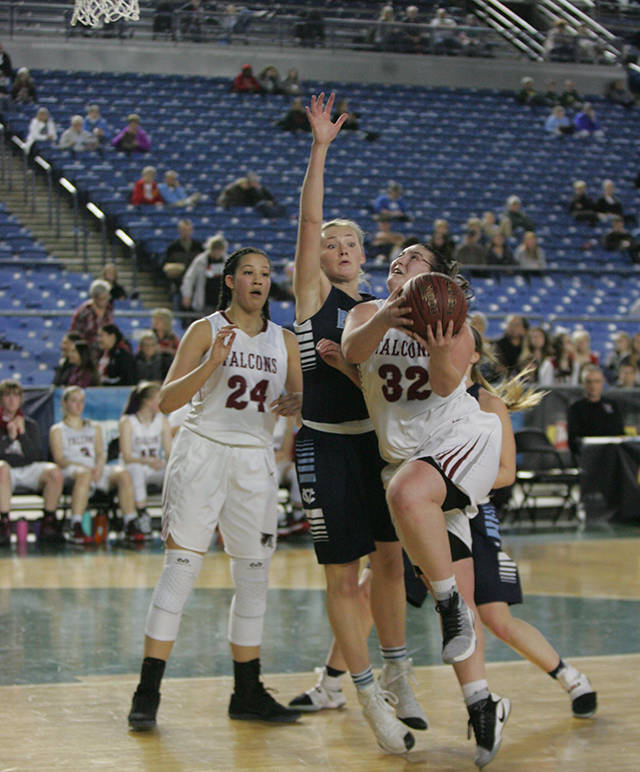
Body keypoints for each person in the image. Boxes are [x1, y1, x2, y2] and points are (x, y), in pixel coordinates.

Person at [291, 93, 426, 756]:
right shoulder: (313, 296)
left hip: (376, 450)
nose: (339, 247)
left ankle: (400, 674)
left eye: (350, 242)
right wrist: (320, 149)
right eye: (330, 243)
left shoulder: (377, 310)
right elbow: (311, 217)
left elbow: (388, 390)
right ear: (316, 258)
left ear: (363, 254)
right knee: (342, 574)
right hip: (323, 448)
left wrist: (349, 367)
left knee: (392, 565)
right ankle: (365, 692)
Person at [341, 241, 508, 764]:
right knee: (454, 576)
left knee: (407, 492)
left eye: (413, 256)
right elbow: (353, 352)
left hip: (458, 442)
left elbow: (442, 383)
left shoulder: (454, 321)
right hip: (409, 464)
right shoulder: (366, 312)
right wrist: (389, 315)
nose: (399, 258)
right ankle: (483, 704)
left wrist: (437, 345)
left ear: (435, 277)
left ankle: (450, 608)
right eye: (395, 256)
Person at [127, 245, 303, 731]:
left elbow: (305, 405)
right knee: (180, 571)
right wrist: (213, 363)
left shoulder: (283, 341)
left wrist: (298, 403)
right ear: (230, 281)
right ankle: (147, 694)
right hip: (202, 451)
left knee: (252, 579)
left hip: (254, 461)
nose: (258, 280)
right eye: (248, 272)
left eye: (265, 274)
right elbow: (166, 401)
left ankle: (247, 693)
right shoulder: (204, 330)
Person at [49, 386, 138, 544]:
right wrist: (85, 469)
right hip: (72, 470)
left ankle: (130, 523)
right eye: (74, 401)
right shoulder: (57, 430)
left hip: (95, 469)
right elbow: (59, 459)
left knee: (123, 474)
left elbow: (100, 452)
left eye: (81, 401)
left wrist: (99, 467)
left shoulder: (94, 427)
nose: (78, 405)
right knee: (84, 474)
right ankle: (75, 525)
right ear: (64, 403)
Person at [0, 379, 64, 546]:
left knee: (53, 472)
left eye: (16, 395)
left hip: (28, 469)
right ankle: (4, 523)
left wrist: (21, 435)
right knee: (2, 468)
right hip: (5, 474)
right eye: (7, 395)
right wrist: (9, 438)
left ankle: (49, 521)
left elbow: (36, 456)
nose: (12, 399)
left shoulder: (30, 424)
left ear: (21, 399)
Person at [119, 381, 172, 538]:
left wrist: (168, 465)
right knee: (136, 471)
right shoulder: (128, 421)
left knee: (176, 471)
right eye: (158, 398)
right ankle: (142, 513)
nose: (162, 401)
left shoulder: (162, 420)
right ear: (147, 401)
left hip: (155, 466)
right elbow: (127, 456)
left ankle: (177, 515)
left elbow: (169, 452)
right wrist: (148, 461)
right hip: (134, 465)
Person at [567, 365, 624, 462]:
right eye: (589, 382)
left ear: (602, 383)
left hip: (611, 457)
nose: (593, 386)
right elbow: (573, 439)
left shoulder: (612, 406)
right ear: (583, 384)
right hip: (587, 458)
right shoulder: (576, 408)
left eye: (597, 381)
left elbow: (619, 432)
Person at [181, 232, 228, 319]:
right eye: (215, 250)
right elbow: (189, 278)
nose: (217, 253)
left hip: (221, 301)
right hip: (205, 301)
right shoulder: (201, 261)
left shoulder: (227, 261)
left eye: (219, 250)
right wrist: (187, 295)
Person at [162, 219, 204, 308]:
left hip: (196, 286)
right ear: (180, 231)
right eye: (184, 230)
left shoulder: (198, 247)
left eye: (189, 230)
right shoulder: (173, 247)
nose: (187, 232)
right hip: (178, 284)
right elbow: (165, 265)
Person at [69, 278, 115, 359]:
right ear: (94, 297)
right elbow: (74, 333)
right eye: (102, 299)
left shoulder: (109, 309)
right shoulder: (84, 311)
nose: (105, 302)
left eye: (106, 298)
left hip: (104, 353)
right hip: (86, 354)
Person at [217, 172, 285, 218]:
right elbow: (252, 200)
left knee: (280, 205)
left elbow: (270, 197)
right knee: (262, 204)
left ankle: (280, 216)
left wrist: (271, 202)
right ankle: (274, 216)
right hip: (241, 204)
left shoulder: (260, 188)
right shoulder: (243, 190)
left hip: (263, 203)